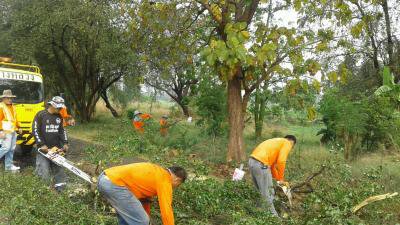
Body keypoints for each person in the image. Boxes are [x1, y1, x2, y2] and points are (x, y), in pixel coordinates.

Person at [97, 162, 187, 225]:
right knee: (142, 221)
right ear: (177, 179)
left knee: (127, 220)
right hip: (114, 184)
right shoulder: (165, 180)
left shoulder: (156, 173)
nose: (175, 187)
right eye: (178, 185)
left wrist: (146, 216)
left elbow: (145, 201)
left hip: (106, 178)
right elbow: (167, 209)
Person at [248, 135, 297, 217]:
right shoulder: (287, 143)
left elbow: (273, 166)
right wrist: (281, 178)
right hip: (262, 164)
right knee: (269, 193)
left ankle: (257, 214)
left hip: (252, 162)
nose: (290, 149)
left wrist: (278, 180)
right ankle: (274, 219)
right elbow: (281, 161)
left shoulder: (276, 143)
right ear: (292, 143)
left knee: (260, 192)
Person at [32, 96, 69, 192]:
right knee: (43, 170)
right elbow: (35, 130)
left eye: (61, 108)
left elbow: (62, 131)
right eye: (59, 107)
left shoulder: (59, 117)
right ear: (52, 105)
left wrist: (65, 143)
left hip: (56, 149)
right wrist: (41, 144)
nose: (60, 109)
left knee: (59, 169)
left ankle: (61, 189)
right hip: (43, 149)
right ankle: (44, 191)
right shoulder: (41, 115)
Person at [0, 90, 22, 171]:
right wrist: (1, 131)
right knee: (6, 148)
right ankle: (8, 167)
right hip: (5, 132)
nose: (10, 99)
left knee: (11, 149)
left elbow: (15, 119)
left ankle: (8, 167)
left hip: (13, 131)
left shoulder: (13, 107)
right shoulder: (1, 106)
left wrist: (19, 127)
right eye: (8, 98)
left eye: (11, 98)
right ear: (3, 98)